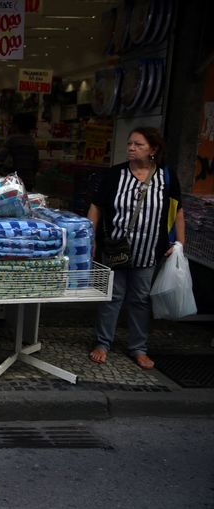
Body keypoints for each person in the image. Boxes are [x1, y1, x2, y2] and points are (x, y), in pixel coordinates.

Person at [87, 126, 186, 369]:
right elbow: (96, 207)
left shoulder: (167, 176)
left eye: (138, 144)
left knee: (141, 299)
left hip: (149, 249)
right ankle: (103, 343)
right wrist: (91, 239)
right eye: (130, 143)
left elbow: (178, 210)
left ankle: (138, 348)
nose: (131, 148)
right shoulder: (115, 175)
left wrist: (180, 243)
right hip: (115, 248)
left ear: (153, 149)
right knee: (113, 296)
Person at [0, 112, 39, 190]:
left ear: (16, 125)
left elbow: (0, 157)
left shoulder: (12, 139)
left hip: (14, 180)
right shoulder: (32, 141)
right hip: (28, 179)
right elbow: (36, 163)